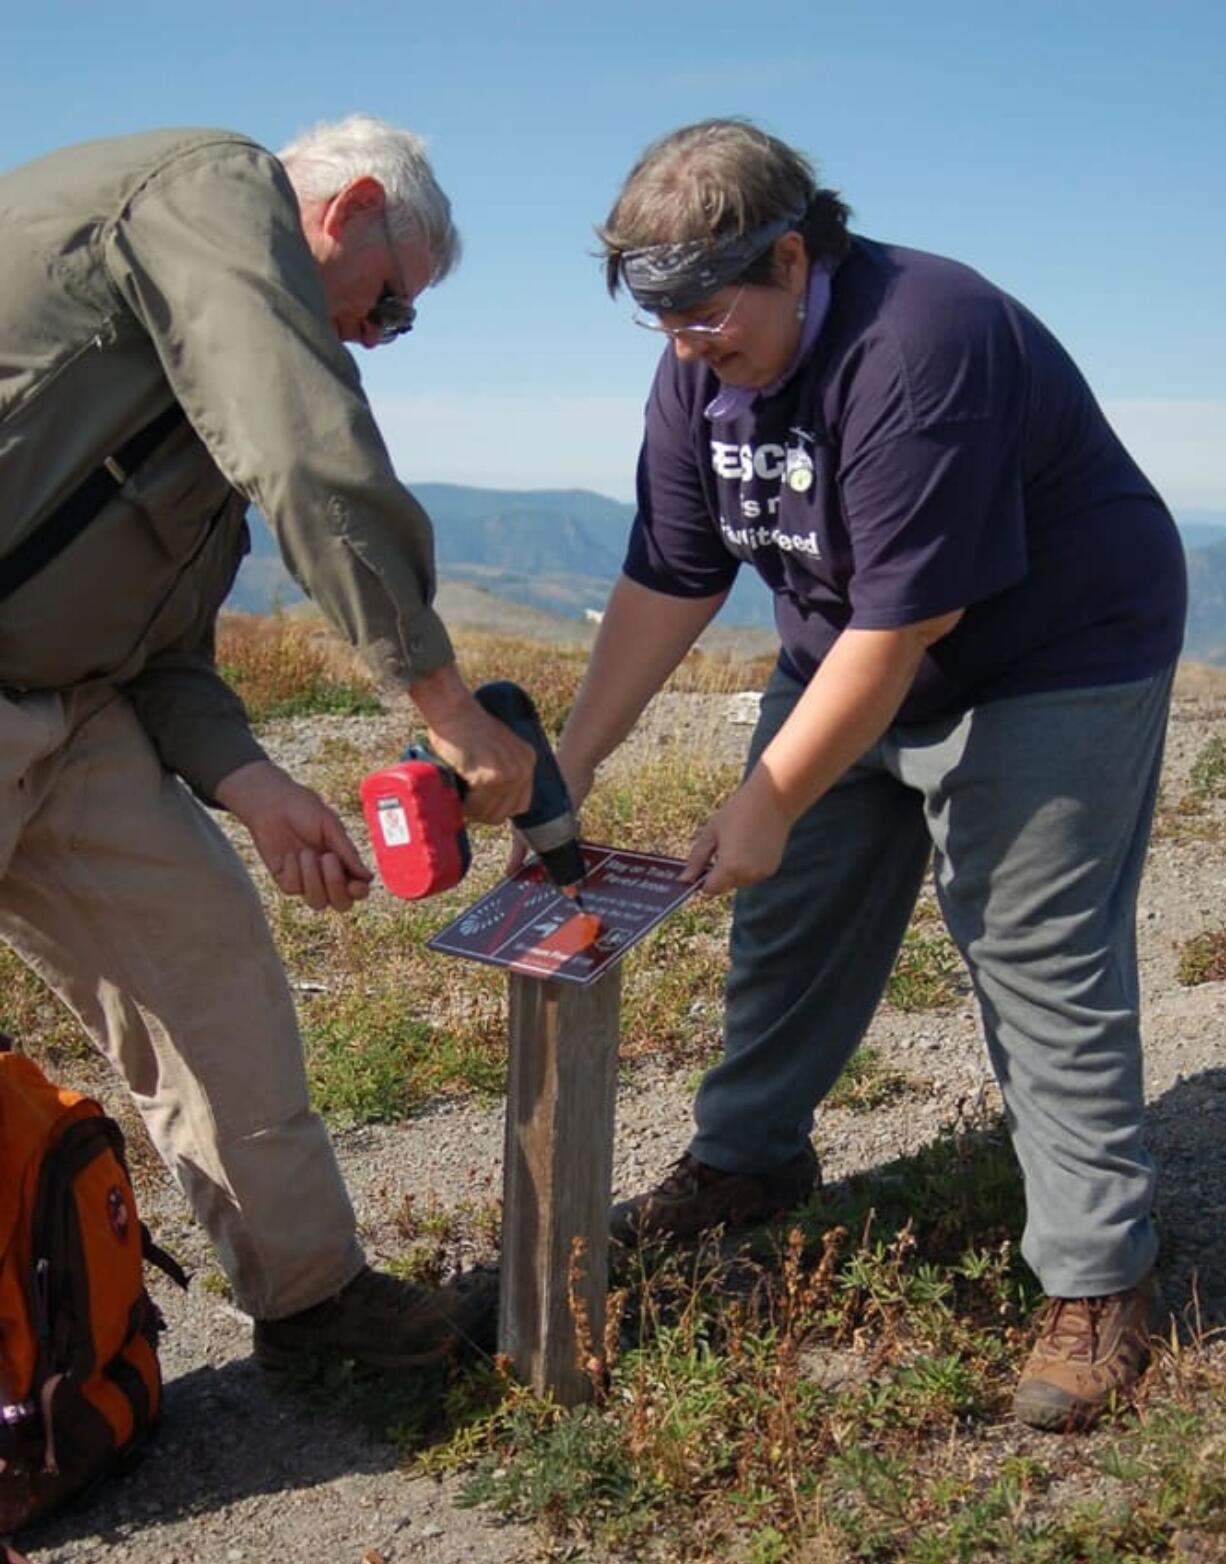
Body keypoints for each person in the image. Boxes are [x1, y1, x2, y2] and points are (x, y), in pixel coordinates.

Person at [552, 118, 1186, 1430]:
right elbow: (671, 577)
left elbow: (903, 629)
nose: (685, 346)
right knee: (788, 924)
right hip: (844, 645)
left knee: (1031, 946)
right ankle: (746, 1163)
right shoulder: (699, 370)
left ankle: (1095, 1277)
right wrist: (568, 763)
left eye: (707, 311)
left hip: (1048, 654)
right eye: (658, 319)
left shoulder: (920, 344)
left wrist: (766, 796)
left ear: (792, 257)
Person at [0, 116, 535, 1371]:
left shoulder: (199, 403)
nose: (373, 338)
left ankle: (312, 1300)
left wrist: (255, 789)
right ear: (345, 209)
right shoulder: (209, 188)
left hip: (61, 705)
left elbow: (162, 650)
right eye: (390, 307)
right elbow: (308, 444)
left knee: (208, 960)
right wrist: (446, 709)